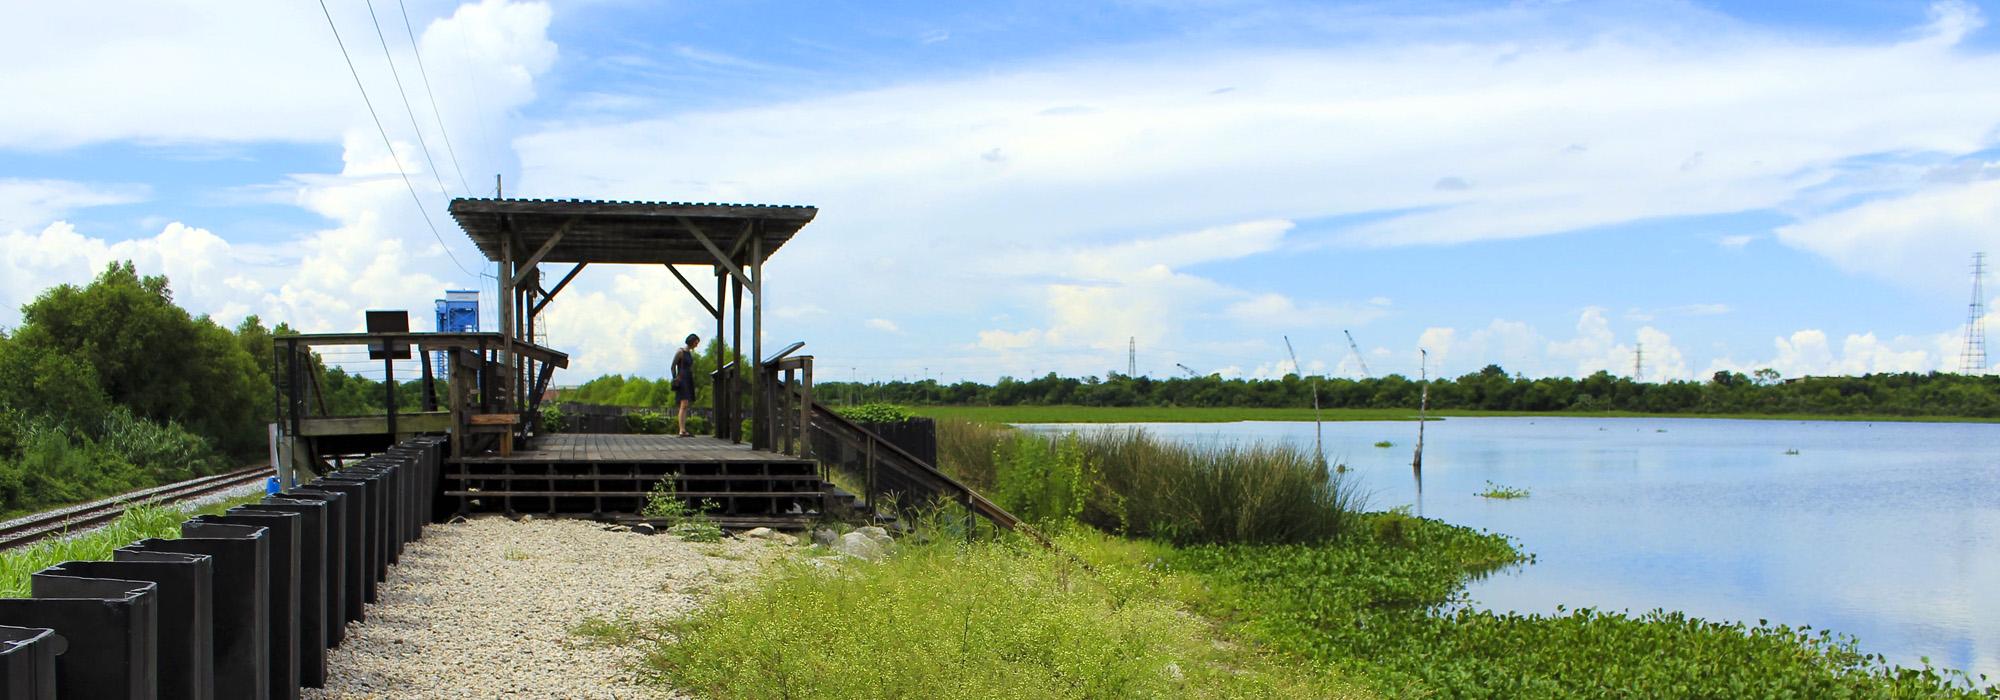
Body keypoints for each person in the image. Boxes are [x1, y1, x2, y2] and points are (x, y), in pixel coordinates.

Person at [671, 333, 699, 437]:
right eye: (696, 342)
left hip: (688, 378)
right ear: (692, 341)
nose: (697, 345)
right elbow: (673, 366)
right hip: (682, 379)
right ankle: (681, 430)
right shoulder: (680, 351)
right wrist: (675, 378)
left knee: (686, 404)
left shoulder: (689, 353)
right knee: (684, 404)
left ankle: (683, 429)